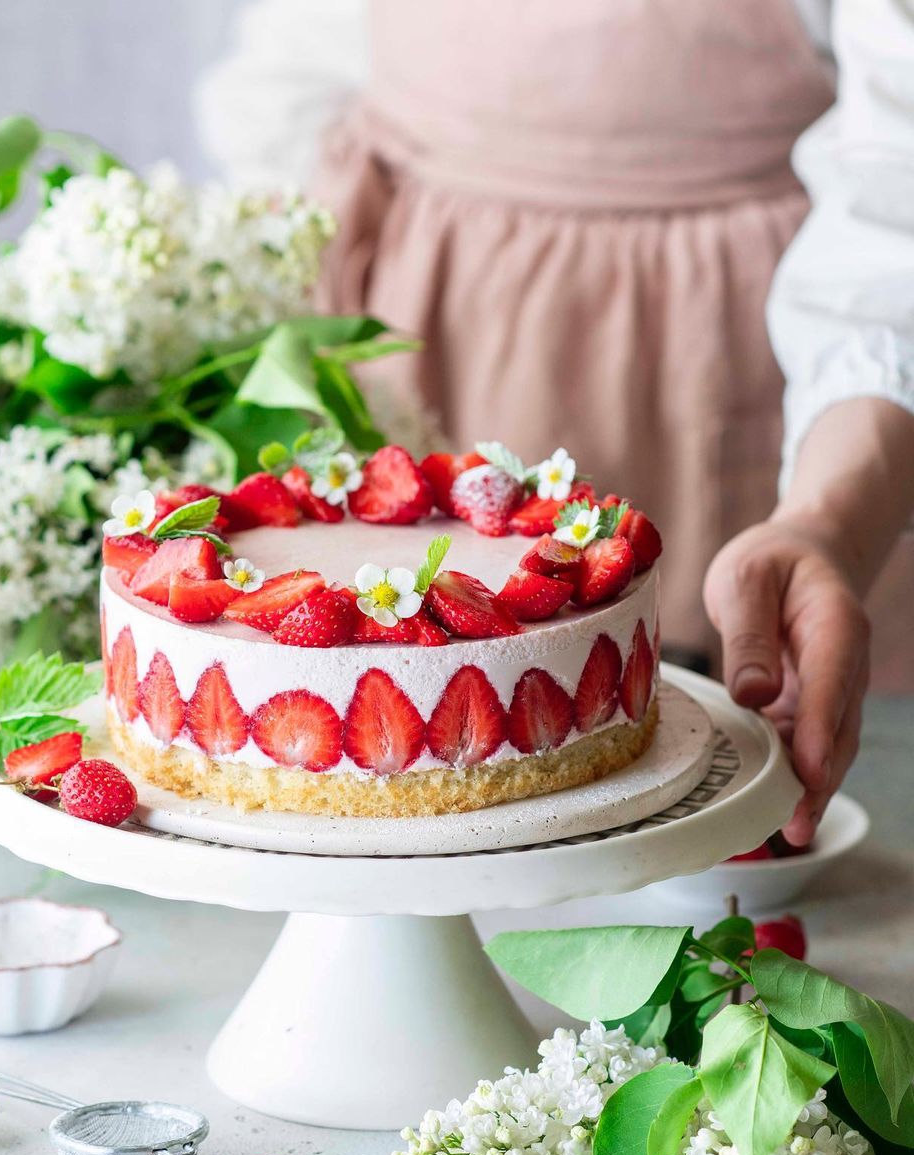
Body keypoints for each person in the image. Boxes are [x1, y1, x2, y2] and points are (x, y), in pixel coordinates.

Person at [199, 0, 914, 842]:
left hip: (742, 370)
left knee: (727, 780)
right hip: (417, 338)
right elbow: (295, 74)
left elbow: (895, 180)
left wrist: (829, 518)